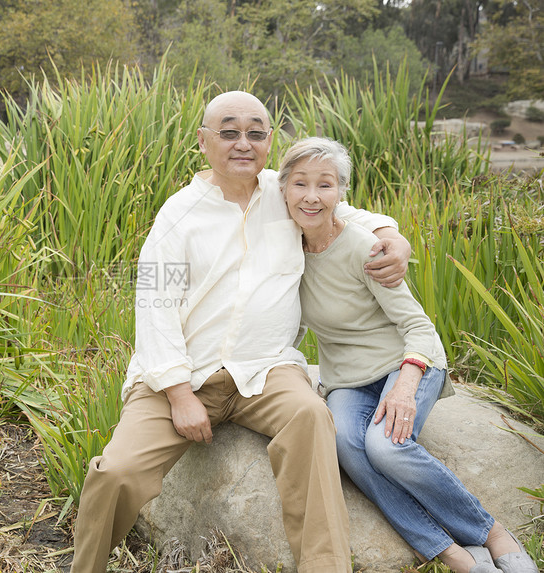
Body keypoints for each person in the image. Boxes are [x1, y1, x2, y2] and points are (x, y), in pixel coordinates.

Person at [69, 91, 413, 573]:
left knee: (312, 417)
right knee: (117, 472)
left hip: (266, 370)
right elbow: (153, 308)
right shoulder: (176, 216)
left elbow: (345, 214)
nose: (243, 143)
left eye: (256, 132)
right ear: (204, 140)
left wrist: (391, 235)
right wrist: (178, 394)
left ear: (270, 140)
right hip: (183, 375)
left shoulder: (286, 193)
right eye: (229, 132)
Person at [280, 137, 538, 573]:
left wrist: (405, 384)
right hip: (348, 381)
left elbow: (418, 326)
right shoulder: (284, 253)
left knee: (387, 448)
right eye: (300, 183)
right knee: (345, 443)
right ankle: (448, 550)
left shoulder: (366, 248)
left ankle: (490, 532)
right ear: (283, 189)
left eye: (325, 185)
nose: (311, 196)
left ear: (341, 193)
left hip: (410, 362)